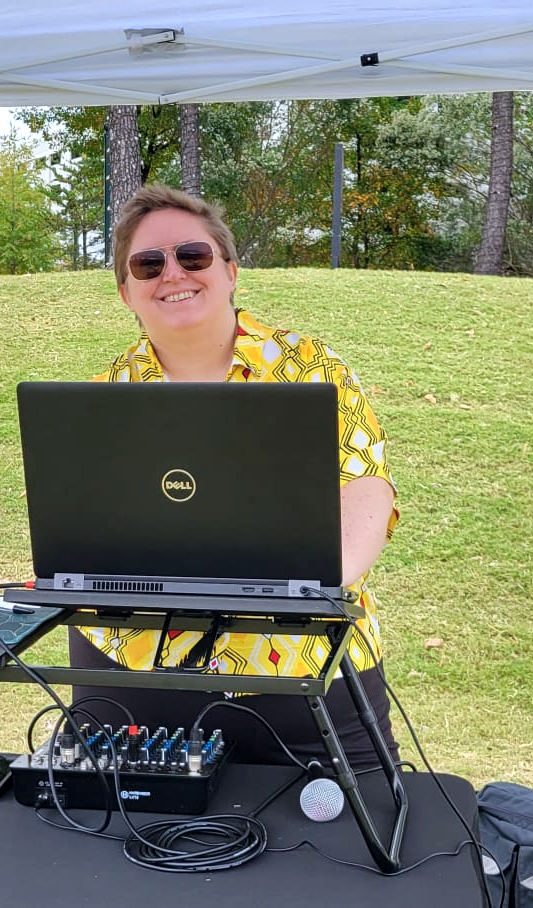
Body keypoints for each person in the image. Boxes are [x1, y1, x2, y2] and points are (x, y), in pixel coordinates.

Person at [68, 184, 401, 770]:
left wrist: (313, 588)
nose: (173, 273)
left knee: (356, 835)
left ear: (230, 270)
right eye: (148, 264)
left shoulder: (313, 370)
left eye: (192, 256)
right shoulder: (100, 398)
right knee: (122, 841)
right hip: (133, 665)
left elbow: (366, 486)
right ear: (126, 292)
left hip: (304, 659)